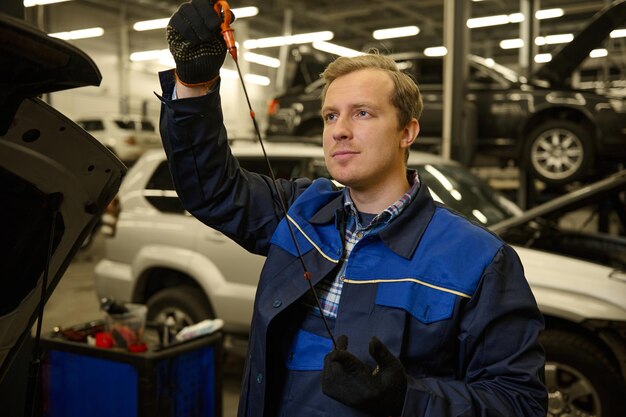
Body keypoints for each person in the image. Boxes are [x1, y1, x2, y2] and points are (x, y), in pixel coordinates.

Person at [158, 1, 548, 416]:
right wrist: (194, 86)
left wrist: (407, 400)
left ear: (407, 131)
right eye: (330, 116)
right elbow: (211, 190)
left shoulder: (479, 260)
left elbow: (520, 402)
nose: (339, 130)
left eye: (362, 113)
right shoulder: (300, 210)